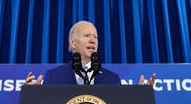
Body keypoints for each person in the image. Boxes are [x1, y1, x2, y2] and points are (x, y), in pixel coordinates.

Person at [25, 20, 156, 85]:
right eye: (87, 35)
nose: (93, 40)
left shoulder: (112, 79)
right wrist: (32, 95)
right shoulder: (54, 76)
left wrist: (141, 96)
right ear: (73, 43)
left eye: (96, 37)